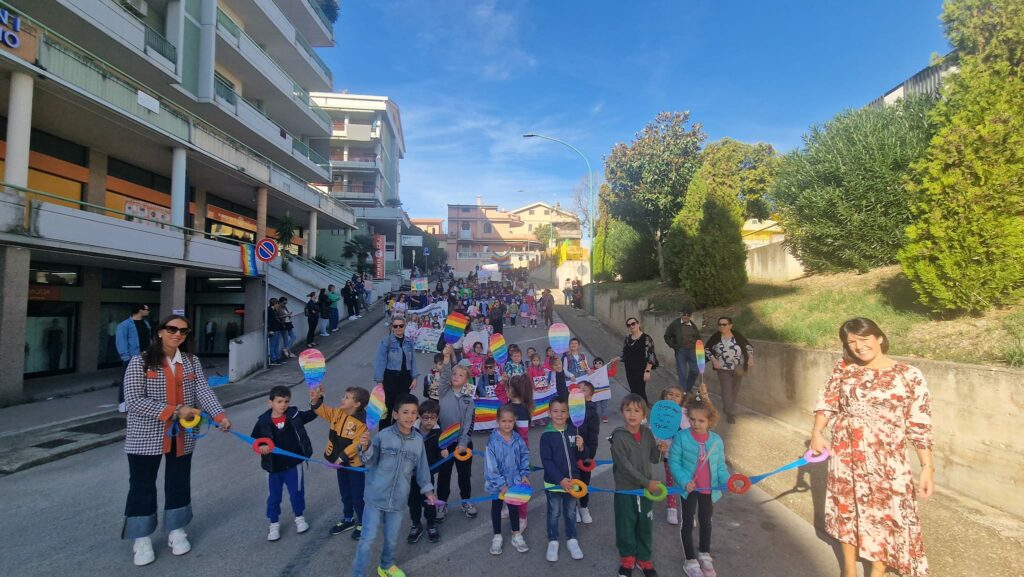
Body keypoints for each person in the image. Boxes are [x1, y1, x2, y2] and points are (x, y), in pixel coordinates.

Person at [809, 318, 933, 577]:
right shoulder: (844, 368)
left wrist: (926, 466)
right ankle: (849, 568)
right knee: (846, 508)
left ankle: (877, 570)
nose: (858, 347)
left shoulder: (909, 375)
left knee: (885, 512)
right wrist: (817, 433)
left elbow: (919, 423)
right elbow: (827, 401)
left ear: (878, 338)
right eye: (851, 342)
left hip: (888, 457)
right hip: (846, 451)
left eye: (863, 339)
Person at [121, 315, 232, 567]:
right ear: (160, 331)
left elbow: (203, 390)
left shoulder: (191, 362)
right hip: (146, 435)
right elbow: (134, 400)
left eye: (183, 330)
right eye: (172, 329)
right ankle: (141, 537)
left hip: (183, 434)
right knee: (142, 485)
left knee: (178, 481)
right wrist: (175, 410)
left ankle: (176, 530)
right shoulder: (140, 362)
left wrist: (219, 415)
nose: (177, 334)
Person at [350, 394, 436, 577]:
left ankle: (386, 566)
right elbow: (370, 461)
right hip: (375, 497)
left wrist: (428, 491)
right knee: (367, 539)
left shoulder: (418, 441)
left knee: (392, 538)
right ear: (396, 414)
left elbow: (422, 470)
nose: (410, 416)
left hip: (398, 499)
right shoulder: (383, 436)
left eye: (414, 413)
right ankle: (358, 574)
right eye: (405, 412)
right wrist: (365, 447)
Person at [668, 389, 729, 577]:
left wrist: (729, 482)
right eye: (692, 419)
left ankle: (704, 553)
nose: (696, 424)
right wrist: (684, 480)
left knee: (706, 522)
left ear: (710, 421)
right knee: (687, 523)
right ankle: (690, 560)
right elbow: (674, 462)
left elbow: (720, 467)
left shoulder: (717, 441)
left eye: (701, 421)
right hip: (689, 489)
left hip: (708, 491)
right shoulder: (681, 437)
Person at [251, 386, 316, 541]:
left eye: (286, 401)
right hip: (274, 467)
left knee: (296, 493)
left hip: (294, 465)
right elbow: (255, 439)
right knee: (274, 496)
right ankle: (274, 524)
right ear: (270, 403)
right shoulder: (263, 422)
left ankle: (299, 518)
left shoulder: (294, 416)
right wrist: (262, 446)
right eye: (279, 401)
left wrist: (316, 400)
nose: (283, 405)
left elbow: (313, 413)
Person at [611, 393, 665, 577]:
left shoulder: (648, 433)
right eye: (628, 410)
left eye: (637, 410)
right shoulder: (618, 437)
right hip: (626, 491)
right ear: (622, 413)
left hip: (646, 492)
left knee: (645, 524)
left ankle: (644, 558)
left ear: (644, 415)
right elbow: (624, 467)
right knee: (625, 524)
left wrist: (660, 450)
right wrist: (647, 482)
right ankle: (627, 557)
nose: (632, 414)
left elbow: (654, 458)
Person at [311, 386, 369, 540]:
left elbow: (358, 443)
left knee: (358, 495)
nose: (342, 399)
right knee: (345, 492)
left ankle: (363, 522)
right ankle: (348, 518)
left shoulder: (363, 423)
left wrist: (341, 458)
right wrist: (316, 400)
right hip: (340, 464)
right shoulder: (338, 413)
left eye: (346, 397)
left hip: (354, 466)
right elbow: (322, 411)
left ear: (356, 404)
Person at [435, 345, 478, 521]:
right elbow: (444, 375)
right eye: (454, 374)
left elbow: (469, 422)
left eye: (460, 375)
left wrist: (463, 443)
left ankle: (466, 501)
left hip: (463, 443)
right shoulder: (444, 391)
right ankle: (442, 503)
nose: (456, 377)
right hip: (445, 442)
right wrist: (446, 359)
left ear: (467, 379)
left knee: (464, 475)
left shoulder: (469, 398)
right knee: (444, 476)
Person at [541, 397, 585, 562]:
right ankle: (553, 540)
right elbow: (547, 461)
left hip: (573, 483)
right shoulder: (546, 436)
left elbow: (581, 457)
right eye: (555, 411)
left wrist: (582, 447)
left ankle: (572, 539)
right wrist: (560, 479)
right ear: (549, 413)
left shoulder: (573, 431)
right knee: (554, 513)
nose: (559, 415)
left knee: (571, 512)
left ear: (568, 414)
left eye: (563, 411)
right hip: (554, 484)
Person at [485, 405, 531, 555]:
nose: (507, 424)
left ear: (514, 421)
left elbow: (525, 455)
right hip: (497, 485)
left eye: (510, 421)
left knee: (513, 508)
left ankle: (516, 533)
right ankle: (497, 536)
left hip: (515, 482)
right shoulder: (492, 441)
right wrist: (501, 484)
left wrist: (524, 474)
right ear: (497, 421)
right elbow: (490, 466)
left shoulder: (517, 438)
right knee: (496, 507)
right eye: (503, 421)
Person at [704, 317, 753, 424]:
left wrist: (750, 357)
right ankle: (729, 413)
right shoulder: (716, 337)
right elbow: (706, 349)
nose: (721, 326)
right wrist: (713, 360)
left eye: (724, 324)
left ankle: (728, 407)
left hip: (737, 368)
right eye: (720, 324)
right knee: (727, 390)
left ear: (730, 325)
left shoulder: (737, 336)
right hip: (722, 368)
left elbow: (748, 346)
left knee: (734, 390)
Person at [373, 317, 418, 429]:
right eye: (395, 326)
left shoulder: (409, 342)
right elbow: (380, 361)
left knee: (401, 407)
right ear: (392, 327)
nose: (398, 328)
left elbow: (413, 361)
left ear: (405, 326)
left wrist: (414, 377)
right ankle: (383, 433)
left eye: (401, 326)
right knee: (387, 408)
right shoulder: (386, 341)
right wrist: (379, 381)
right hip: (390, 378)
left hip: (405, 379)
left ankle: (397, 432)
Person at [408, 399, 443, 544]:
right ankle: (416, 524)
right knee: (413, 501)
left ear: (437, 418)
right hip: (411, 474)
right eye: (426, 418)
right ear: (419, 417)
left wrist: (443, 452)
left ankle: (431, 523)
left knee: (430, 500)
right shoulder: (411, 430)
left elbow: (441, 448)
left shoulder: (438, 432)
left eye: (433, 418)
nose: (429, 421)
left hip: (428, 474)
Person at [658, 385, 689, 525]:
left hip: (685, 455)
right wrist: (659, 443)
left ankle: (688, 511)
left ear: (682, 399)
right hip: (668, 454)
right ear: (664, 396)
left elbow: (692, 430)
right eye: (669, 394)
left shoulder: (687, 413)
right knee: (670, 481)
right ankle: (672, 508)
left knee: (686, 482)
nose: (672, 397)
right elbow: (655, 431)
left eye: (677, 395)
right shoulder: (659, 412)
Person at [116, 304, 152, 411]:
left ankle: (142, 399)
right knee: (127, 379)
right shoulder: (125, 325)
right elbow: (121, 342)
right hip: (132, 357)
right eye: (147, 309)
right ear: (140, 310)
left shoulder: (146, 323)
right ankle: (123, 401)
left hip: (146, 356)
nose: (148, 311)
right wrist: (126, 357)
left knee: (146, 378)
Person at [574, 380, 600, 525]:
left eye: (583, 390)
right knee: (573, 481)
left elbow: (593, 437)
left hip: (585, 455)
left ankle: (584, 507)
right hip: (572, 454)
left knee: (584, 483)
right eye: (578, 389)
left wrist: (590, 456)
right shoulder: (572, 410)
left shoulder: (592, 414)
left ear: (589, 396)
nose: (579, 391)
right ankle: (574, 507)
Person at [664, 307, 702, 394]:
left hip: (692, 350)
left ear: (690, 316)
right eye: (684, 315)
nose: (686, 317)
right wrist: (674, 346)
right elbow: (667, 336)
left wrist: (699, 347)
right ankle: (684, 393)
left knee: (695, 370)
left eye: (688, 315)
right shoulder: (675, 324)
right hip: (681, 350)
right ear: (681, 314)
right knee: (682, 372)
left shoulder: (692, 325)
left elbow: (698, 337)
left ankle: (687, 388)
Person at [622, 317, 658, 405]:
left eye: (633, 323)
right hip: (629, 369)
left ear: (638, 324)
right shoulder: (627, 338)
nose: (631, 326)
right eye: (629, 325)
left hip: (640, 369)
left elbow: (651, 356)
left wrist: (647, 371)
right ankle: (637, 410)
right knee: (633, 391)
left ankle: (643, 413)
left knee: (640, 392)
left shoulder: (646, 338)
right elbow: (625, 353)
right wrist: (618, 358)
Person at [267, 298, 284, 366]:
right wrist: (269, 330)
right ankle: (273, 359)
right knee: (272, 345)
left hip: (277, 329)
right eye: (277, 304)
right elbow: (267, 321)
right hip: (273, 330)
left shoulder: (274, 311)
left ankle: (277, 358)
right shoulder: (268, 311)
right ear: (274, 304)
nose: (278, 305)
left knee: (276, 344)